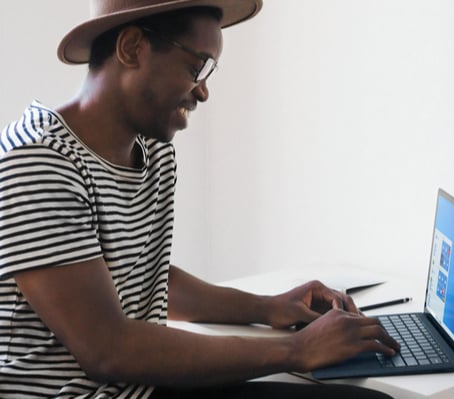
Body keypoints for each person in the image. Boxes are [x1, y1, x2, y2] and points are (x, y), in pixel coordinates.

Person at [0, 1, 400, 398]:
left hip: (141, 386)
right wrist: (297, 349)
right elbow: (107, 349)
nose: (204, 93)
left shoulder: (152, 150)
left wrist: (270, 308)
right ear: (132, 48)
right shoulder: (37, 162)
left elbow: (147, 278)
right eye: (196, 69)